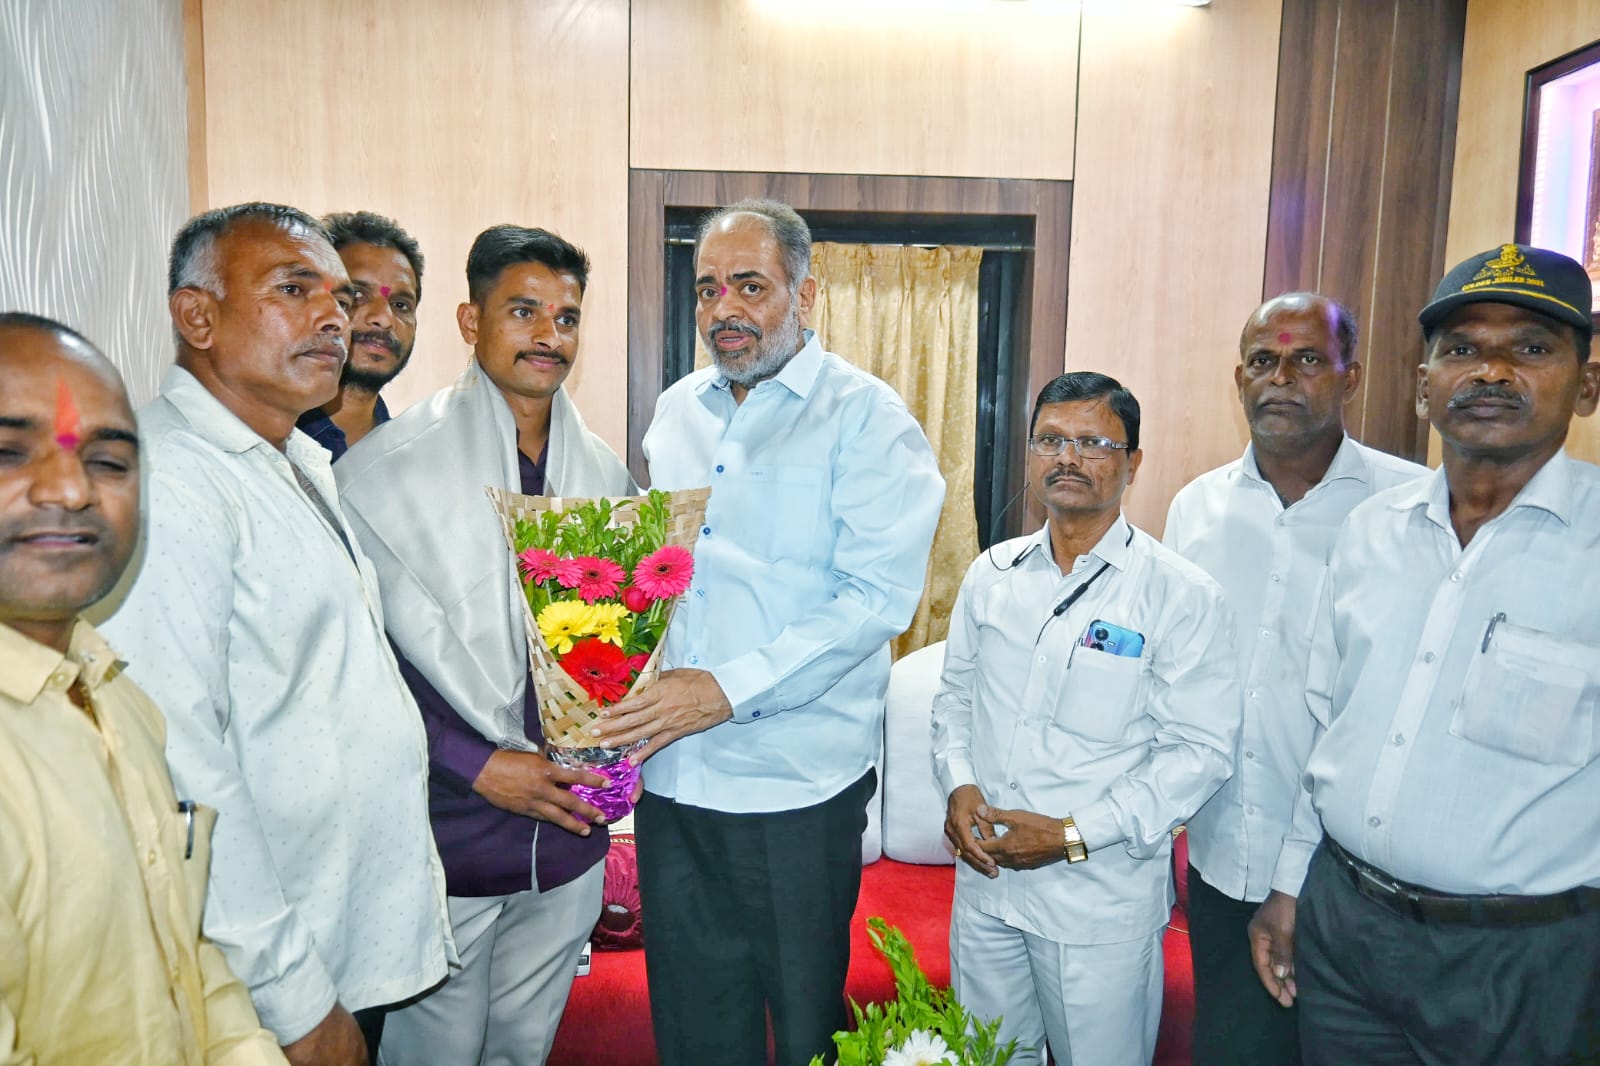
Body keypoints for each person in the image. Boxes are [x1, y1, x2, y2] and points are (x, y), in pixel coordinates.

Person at [592, 199, 944, 1066]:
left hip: (796, 790)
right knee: (694, 1028)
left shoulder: (870, 420)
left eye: (750, 286)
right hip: (674, 783)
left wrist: (724, 690)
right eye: (709, 289)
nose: (724, 310)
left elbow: (873, 601)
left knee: (800, 1031)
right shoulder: (677, 413)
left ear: (806, 293)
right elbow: (658, 576)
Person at [100, 203, 453, 1066]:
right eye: (294, 290)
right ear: (197, 315)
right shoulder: (173, 478)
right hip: (259, 980)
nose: (336, 318)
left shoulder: (293, 457)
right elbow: (179, 768)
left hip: (334, 934)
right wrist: (294, 1001)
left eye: (337, 296)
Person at [1256, 245, 1600, 1064]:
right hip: (1345, 931)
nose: (1490, 371)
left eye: (1531, 348)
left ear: (1587, 384)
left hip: (1522, 960)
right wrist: (1288, 885)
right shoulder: (1370, 530)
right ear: (1421, 385)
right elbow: (1327, 724)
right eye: (1461, 349)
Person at [337, 225, 633, 1065]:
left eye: (568, 318)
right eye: (524, 311)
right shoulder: (383, 472)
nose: (549, 335)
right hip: (449, 827)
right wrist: (478, 765)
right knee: (433, 1050)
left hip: (568, 831)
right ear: (471, 322)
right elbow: (365, 673)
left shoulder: (606, 476)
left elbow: (610, 652)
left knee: (523, 1046)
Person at [0, 312, 285, 1064]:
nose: (70, 487)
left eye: (109, 462)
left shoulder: (116, 695)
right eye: (7, 452)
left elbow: (184, 957)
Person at [931, 372, 1240, 1066]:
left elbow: (1199, 753)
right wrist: (958, 787)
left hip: (1097, 902)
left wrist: (1072, 835)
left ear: (1132, 462)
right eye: (1051, 440)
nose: (1067, 458)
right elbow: (953, 699)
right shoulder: (993, 574)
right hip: (987, 890)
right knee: (987, 1060)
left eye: (1093, 442)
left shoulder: (1179, 595)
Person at [1163, 293, 1424, 1065]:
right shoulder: (1197, 508)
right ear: (1238, 378)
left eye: (1307, 359)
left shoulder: (1409, 508)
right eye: (1264, 361)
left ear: (1350, 375)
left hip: (1356, 880)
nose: (1282, 378)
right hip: (1220, 859)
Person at [297, 211, 423, 459]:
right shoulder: (266, 444)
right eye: (357, 295)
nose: (384, 318)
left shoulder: (416, 456)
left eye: (400, 305)